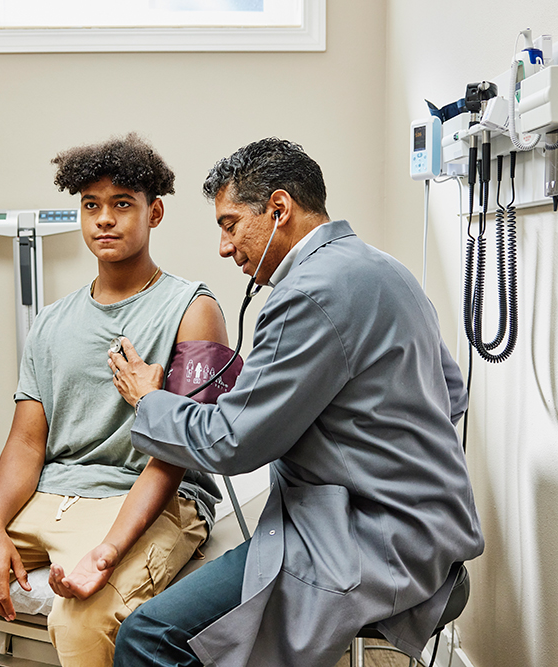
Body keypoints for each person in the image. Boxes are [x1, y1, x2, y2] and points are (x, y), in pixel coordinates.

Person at [110, 138, 486, 667]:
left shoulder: (307, 292)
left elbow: (232, 442)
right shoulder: (386, 269)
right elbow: (451, 392)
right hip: (430, 532)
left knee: (149, 635)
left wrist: (149, 400)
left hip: (368, 543)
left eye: (230, 223)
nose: (224, 246)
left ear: (279, 208)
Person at [0, 133, 228, 667]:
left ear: (155, 213)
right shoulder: (51, 323)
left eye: (121, 204)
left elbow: (180, 450)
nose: (104, 219)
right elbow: (26, 442)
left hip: (147, 498)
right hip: (50, 494)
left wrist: (106, 552)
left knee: (80, 621)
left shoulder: (193, 308)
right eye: (90, 206)